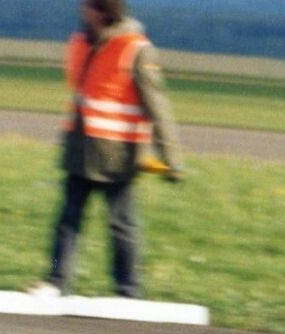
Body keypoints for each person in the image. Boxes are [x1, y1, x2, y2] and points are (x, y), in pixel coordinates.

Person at [29, 0, 182, 300]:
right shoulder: (80, 43)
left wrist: (171, 158)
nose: (81, 10)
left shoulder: (135, 48)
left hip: (116, 152)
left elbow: (158, 106)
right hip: (80, 147)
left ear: (102, 11)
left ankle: (127, 290)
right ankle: (56, 280)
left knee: (121, 224)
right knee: (67, 221)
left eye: (87, 6)